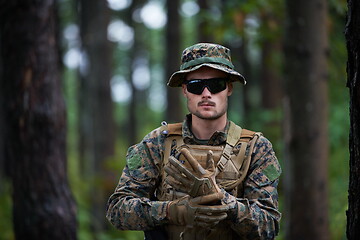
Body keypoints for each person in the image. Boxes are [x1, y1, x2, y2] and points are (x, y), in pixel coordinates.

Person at [106, 43, 282, 240]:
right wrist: (175, 211)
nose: (206, 94)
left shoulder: (256, 148)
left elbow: (268, 226)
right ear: (185, 90)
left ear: (229, 89)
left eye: (216, 85)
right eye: (196, 86)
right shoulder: (159, 142)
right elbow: (118, 210)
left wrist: (223, 200)